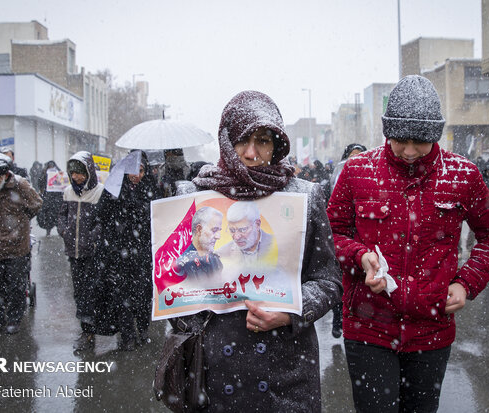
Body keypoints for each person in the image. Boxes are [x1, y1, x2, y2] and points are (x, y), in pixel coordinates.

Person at [327, 75, 489, 413]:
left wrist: (465, 284)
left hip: (431, 330)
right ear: (387, 132)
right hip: (369, 327)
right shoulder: (357, 171)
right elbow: (333, 232)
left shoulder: (462, 176)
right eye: (400, 140)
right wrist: (360, 255)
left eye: (420, 141)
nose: (410, 151)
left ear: (436, 135)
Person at [166, 90, 341, 411]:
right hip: (215, 370)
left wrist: (290, 313)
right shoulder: (192, 198)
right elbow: (173, 287)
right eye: (241, 141)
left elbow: (328, 281)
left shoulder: (305, 197)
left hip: (285, 370)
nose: (251, 152)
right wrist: (191, 306)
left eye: (262, 140)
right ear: (225, 141)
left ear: (277, 145)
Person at [0, 153, 43, 334]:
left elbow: (36, 204)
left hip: (16, 247)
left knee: (16, 286)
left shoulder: (20, 185)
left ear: (6, 175)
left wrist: (21, 221)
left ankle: (14, 319)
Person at [99, 151, 159, 349]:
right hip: (120, 253)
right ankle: (127, 336)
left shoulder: (151, 190)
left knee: (143, 296)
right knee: (123, 296)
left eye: (141, 170)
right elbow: (103, 218)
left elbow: (157, 219)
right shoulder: (114, 191)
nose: (137, 175)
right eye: (133, 171)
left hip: (144, 254)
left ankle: (142, 331)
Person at [57, 151, 105, 351]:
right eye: (73, 173)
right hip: (73, 251)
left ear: (89, 172)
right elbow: (61, 215)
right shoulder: (68, 192)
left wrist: (92, 238)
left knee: (91, 290)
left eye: (80, 172)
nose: (76, 177)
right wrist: (65, 231)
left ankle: (91, 329)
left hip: (92, 252)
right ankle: (85, 329)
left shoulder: (100, 192)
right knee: (79, 291)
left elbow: (103, 221)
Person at [329, 143, 367, 340]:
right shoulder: (337, 177)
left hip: (361, 243)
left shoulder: (370, 180)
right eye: (353, 155)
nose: (356, 159)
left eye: (360, 155)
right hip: (342, 243)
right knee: (340, 285)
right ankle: (338, 321)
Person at [216, 201, 276, 268]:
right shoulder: (220, 255)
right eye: (232, 230)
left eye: (242, 230)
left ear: (257, 224)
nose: (236, 237)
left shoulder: (277, 245)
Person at [174, 207, 224, 284]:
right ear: (199, 229)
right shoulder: (181, 266)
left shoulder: (216, 261)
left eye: (219, 230)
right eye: (214, 230)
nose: (218, 236)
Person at [37, 160, 64, 236]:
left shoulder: (58, 173)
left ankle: (59, 230)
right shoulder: (44, 174)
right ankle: (48, 230)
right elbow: (40, 183)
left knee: (58, 215)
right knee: (48, 215)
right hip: (48, 197)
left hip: (57, 197)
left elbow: (63, 182)